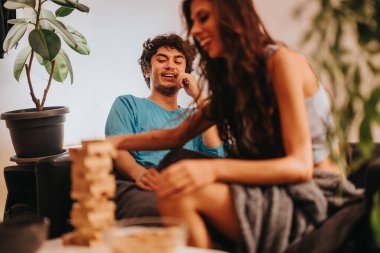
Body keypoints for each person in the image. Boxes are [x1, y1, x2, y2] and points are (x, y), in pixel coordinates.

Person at [108, 1, 361, 252]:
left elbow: (299, 166)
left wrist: (211, 171)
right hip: (276, 188)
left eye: (203, 18)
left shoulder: (282, 62)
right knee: (174, 187)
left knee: (176, 192)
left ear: (233, 16)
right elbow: (175, 136)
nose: (194, 31)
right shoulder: (236, 82)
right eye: (193, 22)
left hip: (315, 192)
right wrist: (110, 144)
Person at [105, 33, 224, 219]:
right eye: (162, 60)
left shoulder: (195, 116)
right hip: (143, 184)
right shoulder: (128, 104)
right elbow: (116, 148)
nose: (170, 65)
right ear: (147, 70)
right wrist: (140, 174)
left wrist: (199, 97)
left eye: (178, 61)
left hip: (187, 185)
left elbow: (217, 157)